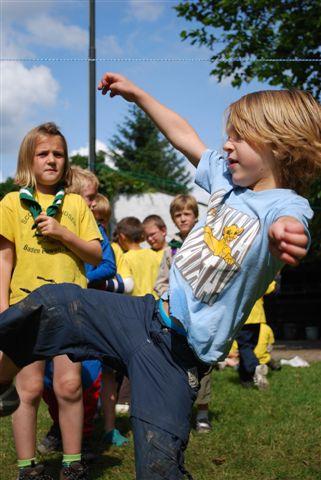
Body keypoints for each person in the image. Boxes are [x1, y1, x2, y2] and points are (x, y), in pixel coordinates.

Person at [1, 74, 320, 479]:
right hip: (147, 317)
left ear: (279, 144)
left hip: (178, 358)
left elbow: (293, 222)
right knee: (56, 301)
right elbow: (183, 134)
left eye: (239, 137)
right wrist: (138, 95)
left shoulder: (284, 205)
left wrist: (286, 233)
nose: (226, 145)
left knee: (157, 468)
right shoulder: (226, 181)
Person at [0, 124, 102, 480]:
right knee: (26, 388)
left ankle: (72, 462)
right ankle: (28, 467)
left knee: (69, 386)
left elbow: (94, 253)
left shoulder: (74, 203)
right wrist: (2, 309)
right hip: (25, 306)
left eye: (58, 154)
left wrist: (63, 233)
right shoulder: (12, 202)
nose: (51, 160)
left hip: (70, 307)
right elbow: (4, 260)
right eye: (43, 154)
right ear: (29, 158)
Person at [38, 168, 117, 457]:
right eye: (90, 197)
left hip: (84, 314)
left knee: (83, 376)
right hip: (51, 313)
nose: (94, 204)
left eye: (95, 198)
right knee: (47, 380)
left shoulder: (96, 231)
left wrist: (81, 271)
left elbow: (108, 264)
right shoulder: (48, 224)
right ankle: (58, 426)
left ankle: (81, 440)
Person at [154, 194, 213, 432]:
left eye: (186, 214)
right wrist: (169, 296)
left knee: (203, 361)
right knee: (178, 362)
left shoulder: (205, 242)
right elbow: (161, 281)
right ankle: (180, 409)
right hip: (178, 315)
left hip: (202, 311)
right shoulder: (171, 250)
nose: (182, 218)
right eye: (177, 215)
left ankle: (202, 413)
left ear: (195, 216)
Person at [234, 280, 279, 389]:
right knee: (248, 348)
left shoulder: (236, 278)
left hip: (242, 318)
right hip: (258, 317)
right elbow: (273, 288)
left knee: (245, 347)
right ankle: (246, 378)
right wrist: (277, 275)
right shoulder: (260, 274)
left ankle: (255, 368)